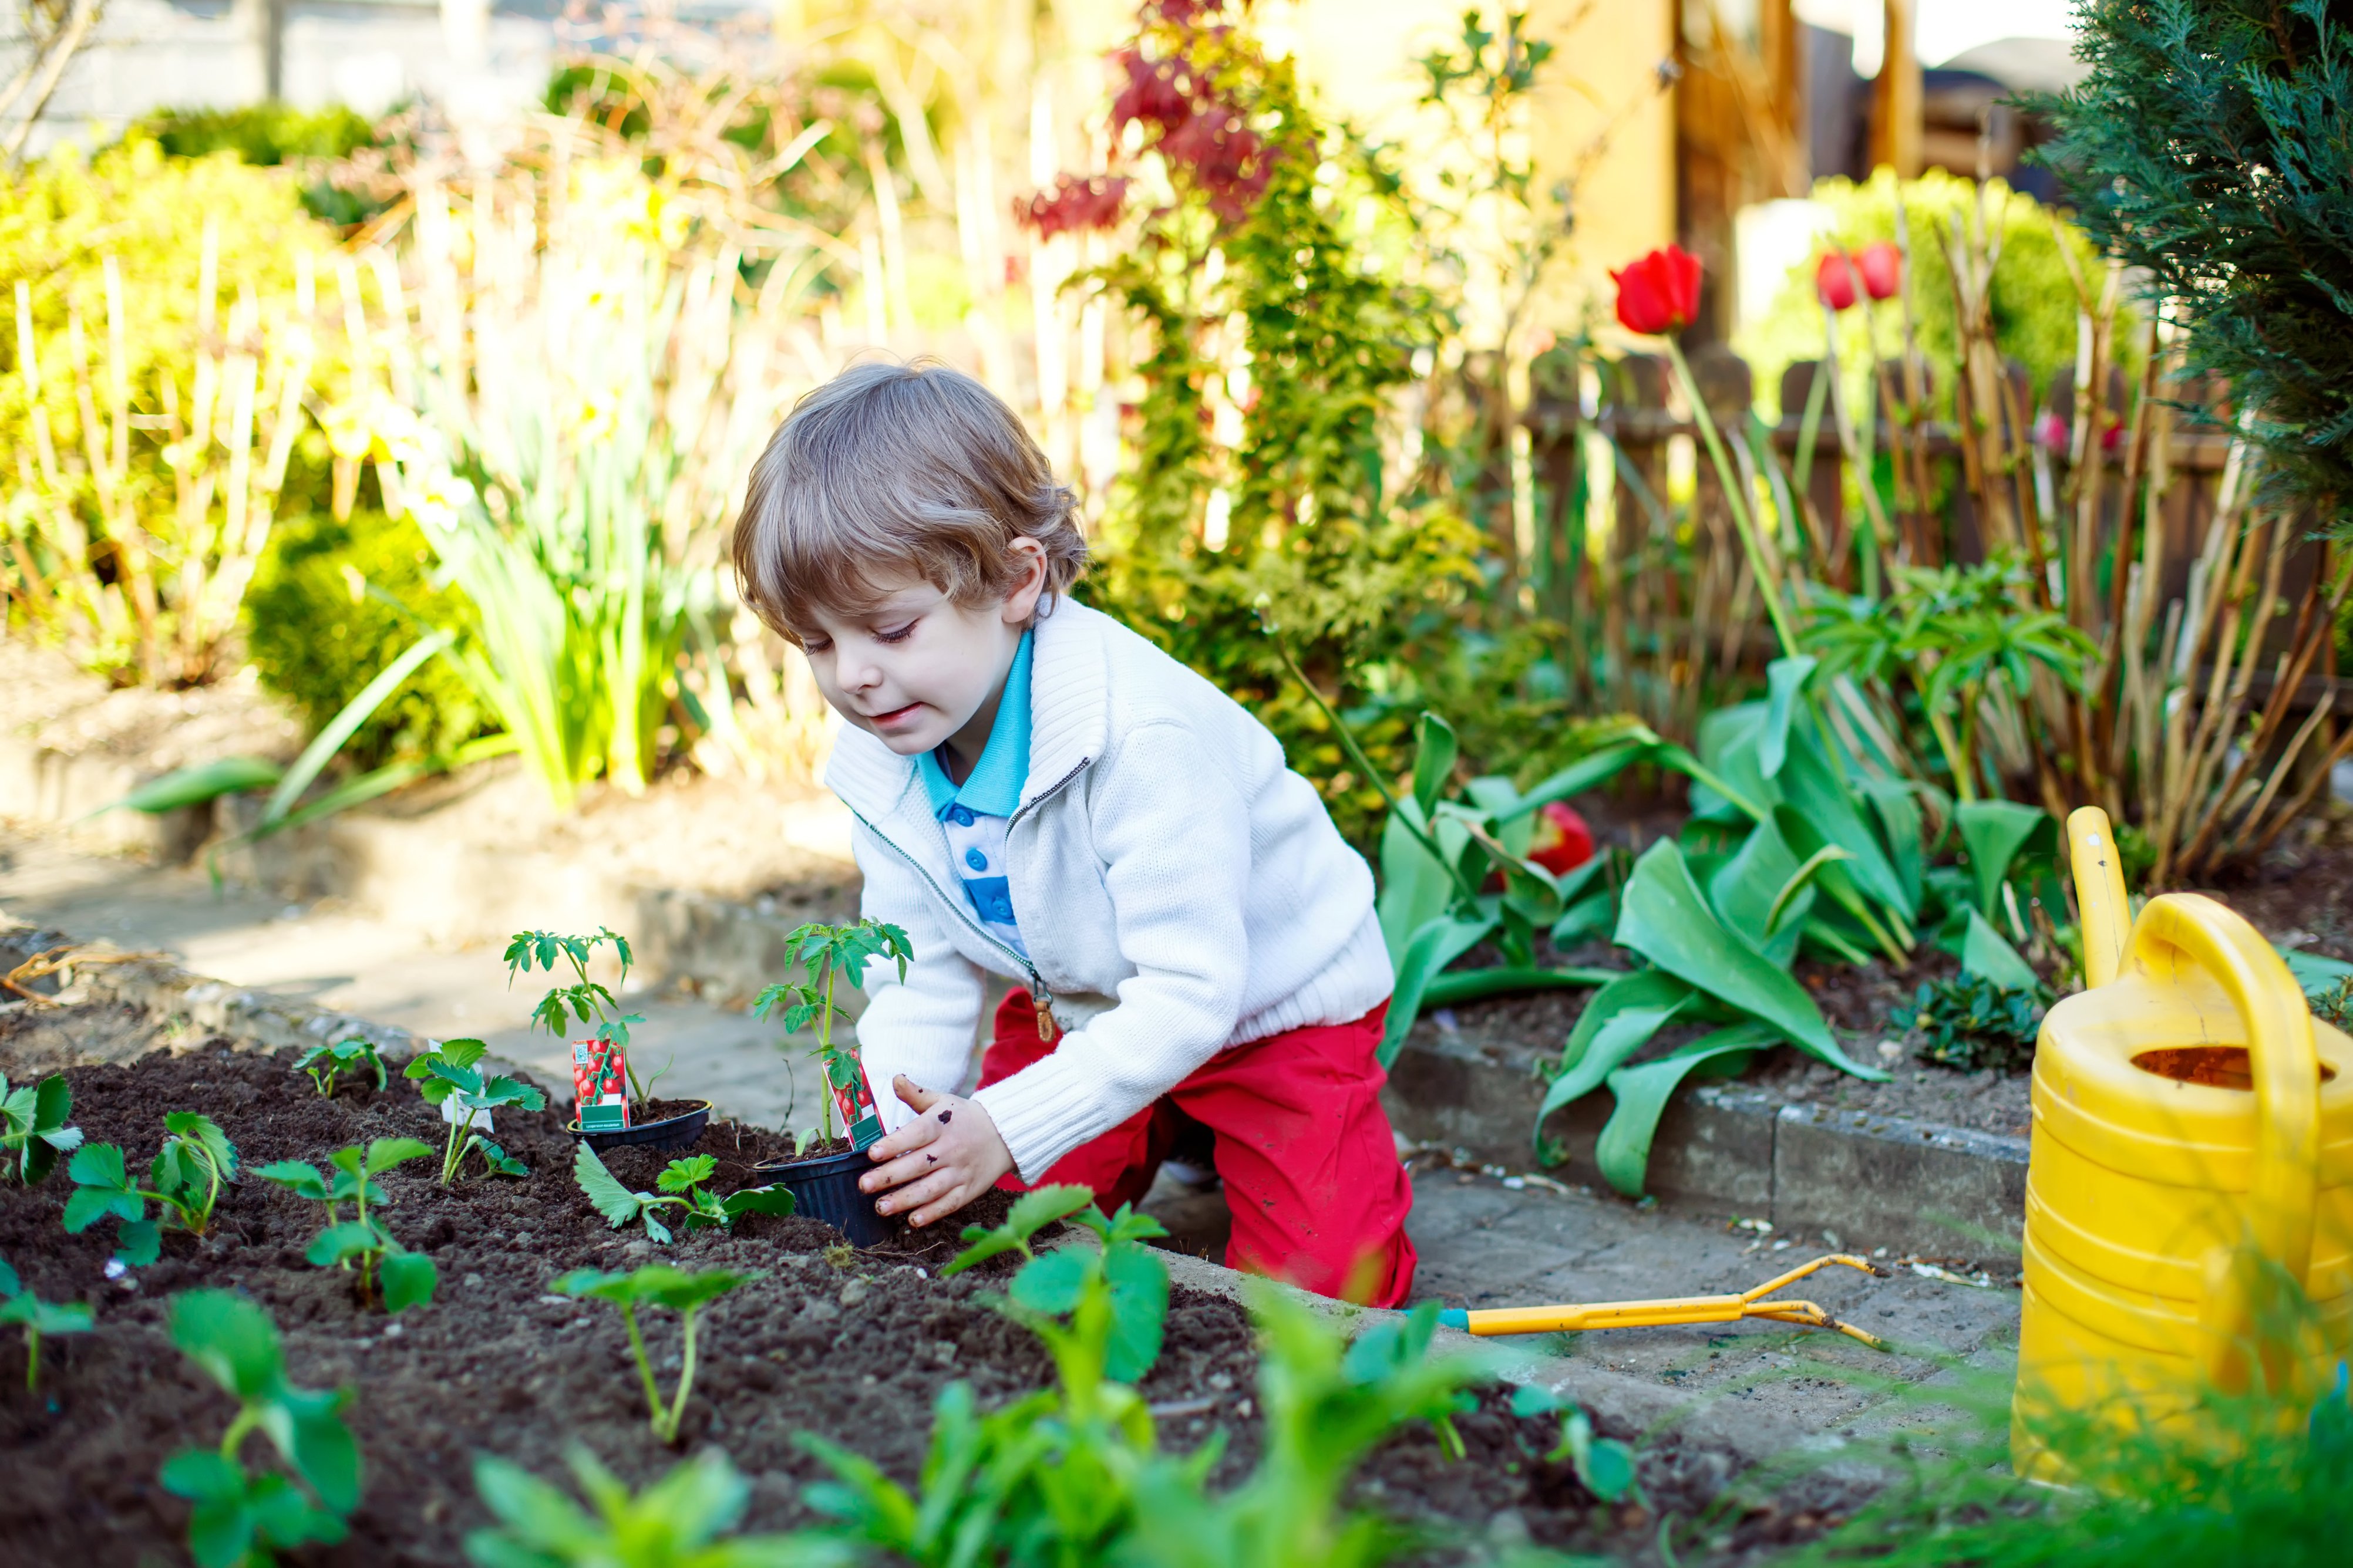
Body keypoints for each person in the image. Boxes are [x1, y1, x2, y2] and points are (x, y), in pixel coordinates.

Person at [730, 358, 1415, 1305]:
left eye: (890, 632)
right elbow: (919, 974)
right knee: (980, 1219)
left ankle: (1228, 1124)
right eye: (817, 644)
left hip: (1259, 1011)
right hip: (1082, 1002)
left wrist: (1007, 1124)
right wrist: (893, 1150)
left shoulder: (1140, 738)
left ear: (1017, 579)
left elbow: (1191, 997)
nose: (853, 678)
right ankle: (1160, 1118)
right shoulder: (893, 751)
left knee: (1322, 1294)